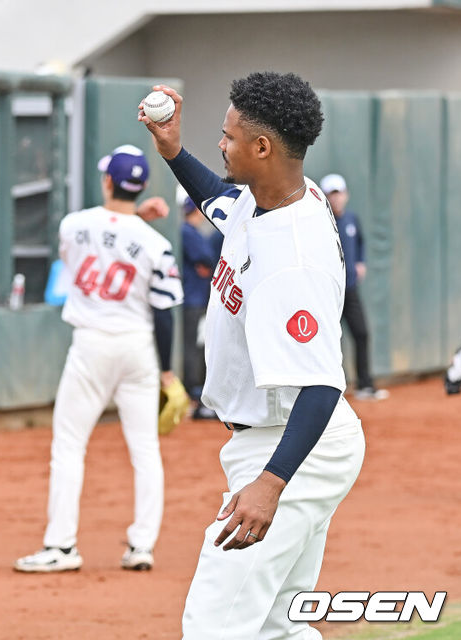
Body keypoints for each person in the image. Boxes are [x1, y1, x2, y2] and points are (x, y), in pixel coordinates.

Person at [140, 72, 366, 638]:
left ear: (262, 147)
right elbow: (219, 200)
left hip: (292, 444)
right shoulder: (267, 198)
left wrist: (272, 483)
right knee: (276, 627)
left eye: (229, 136)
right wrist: (174, 152)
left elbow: (321, 384)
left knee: (213, 627)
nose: (221, 144)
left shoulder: (295, 260)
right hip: (277, 435)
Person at [14, 144, 183, 573]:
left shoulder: (73, 225)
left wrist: (133, 218)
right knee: (145, 450)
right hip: (138, 347)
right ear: (142, 185)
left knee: (69, 446)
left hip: (90, 345)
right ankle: (142, 546)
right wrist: (167, 371)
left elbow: (94, 245)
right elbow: (164, 313)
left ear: (108, 181)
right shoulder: (157, 244)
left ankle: (61, 546)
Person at [320, 173, 389, 401]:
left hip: (350, 290)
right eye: (331, 194)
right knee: (327, 341)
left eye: (339, 194)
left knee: (361, 333)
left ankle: (365, 385)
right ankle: (328, 391)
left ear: (346, 195)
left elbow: (360, 241)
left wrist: (360, 262)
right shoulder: (320, 221)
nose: (336, 198)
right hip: (327, 293)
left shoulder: (352, 219)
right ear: (325, 197)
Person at [179, 191, 220, 420]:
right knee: (194, 348)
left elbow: (208, 263)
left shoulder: (194, 232)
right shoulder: (187, 231)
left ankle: (198, 394)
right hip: (193, 300)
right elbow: (206, 259)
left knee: (202, 346)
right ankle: (193, 394)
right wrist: (206, 265)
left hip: (199, 299)